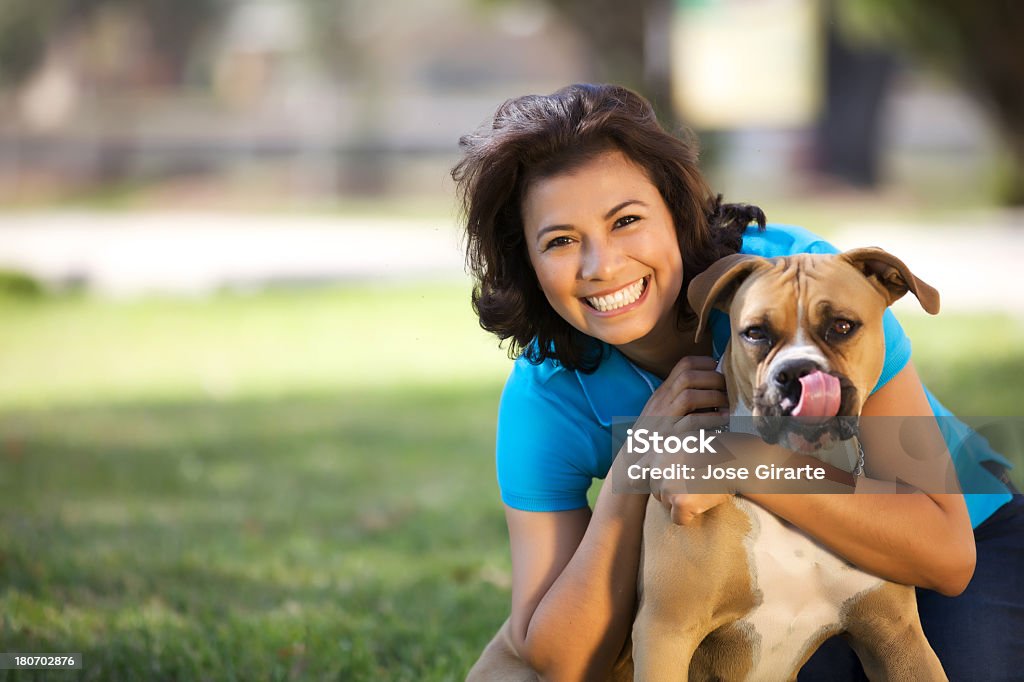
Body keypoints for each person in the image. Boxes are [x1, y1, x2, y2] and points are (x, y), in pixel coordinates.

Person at [453, 83, 1022, 681]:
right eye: (561, 240)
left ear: (676, 213)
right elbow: (558, 661)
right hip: (780, 575)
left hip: (964, 528)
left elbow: (947, 555)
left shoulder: (807, 281)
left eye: (626, 221)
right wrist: (638, 464)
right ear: (528, 260)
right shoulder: (546, 394)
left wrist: (735, 458)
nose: (603, 266)